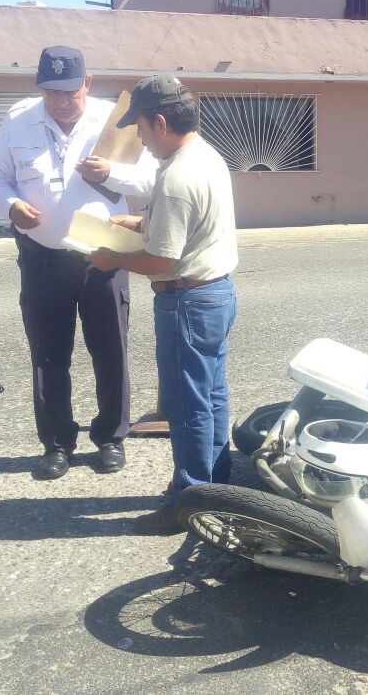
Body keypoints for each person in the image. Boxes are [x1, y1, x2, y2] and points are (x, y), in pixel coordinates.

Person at [0, 47, 157, 480]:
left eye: (70, 92)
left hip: (102, 255)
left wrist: (110, 176)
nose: (61, 101)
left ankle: (111, 437)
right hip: (41, 258)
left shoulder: (116, 120)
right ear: (39, 88)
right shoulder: (19, 120)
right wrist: (10, 204)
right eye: (51, 92)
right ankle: (57, 443)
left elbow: (153, 179)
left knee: (110, 351)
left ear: (88, 84)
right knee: (47, 355)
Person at [88, 76, 238, 533]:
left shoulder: (175, 176)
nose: (139, 139)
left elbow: (161, 259)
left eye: (141, 129)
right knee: (210, 395)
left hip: (185, 299)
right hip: (215, 291)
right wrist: (141, 219)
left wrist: (111, 257)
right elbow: (191, 222)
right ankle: (217, 483)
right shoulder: (204, 155)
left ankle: (188, 501)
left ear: (160, 121)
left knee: (186, 404)